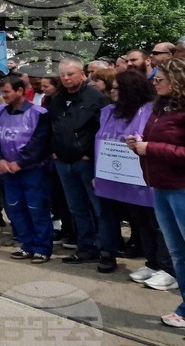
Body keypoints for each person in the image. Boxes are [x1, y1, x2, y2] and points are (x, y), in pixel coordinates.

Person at [126, 58, 185, 328]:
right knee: (176, 252)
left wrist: (150, 148)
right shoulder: (159, 108)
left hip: (181, 188)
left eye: (159, 79)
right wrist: (137, 144)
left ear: (177, 80)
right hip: (161, 186)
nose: (154, 82)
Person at [96, 71, 169, 284]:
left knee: (158, 224)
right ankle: (152, 263)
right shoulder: (110, 112)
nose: (112, 92)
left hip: (147, 177)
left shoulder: (150, 111)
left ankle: (168, 268)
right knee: (141, 222)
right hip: (125, 177)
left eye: (117, 88)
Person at [49, 58, 111, 267]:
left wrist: (90, 155)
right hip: (63, 162)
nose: (66, 78)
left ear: (82, 74)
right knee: (76, 208)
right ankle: (86, 248)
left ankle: (106, 251)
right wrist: (54, 151)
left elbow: (103, 130)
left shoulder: (96, 98)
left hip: (87, 163)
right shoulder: (56, 99)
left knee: (100, 209)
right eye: (63, 75)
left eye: (70, 74)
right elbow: (52, 127)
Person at [0, 75, 53, 263]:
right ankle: (27, 245)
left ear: (20, 91)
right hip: (7, 170)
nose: (4, 95)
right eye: (2, 92)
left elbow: (40, 143)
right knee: (15, 208)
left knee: (36, 208)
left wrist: (21, 163)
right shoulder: (0, 111)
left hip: (33, 170)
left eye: (7, 92)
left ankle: (42, 247)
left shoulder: (38, 113)